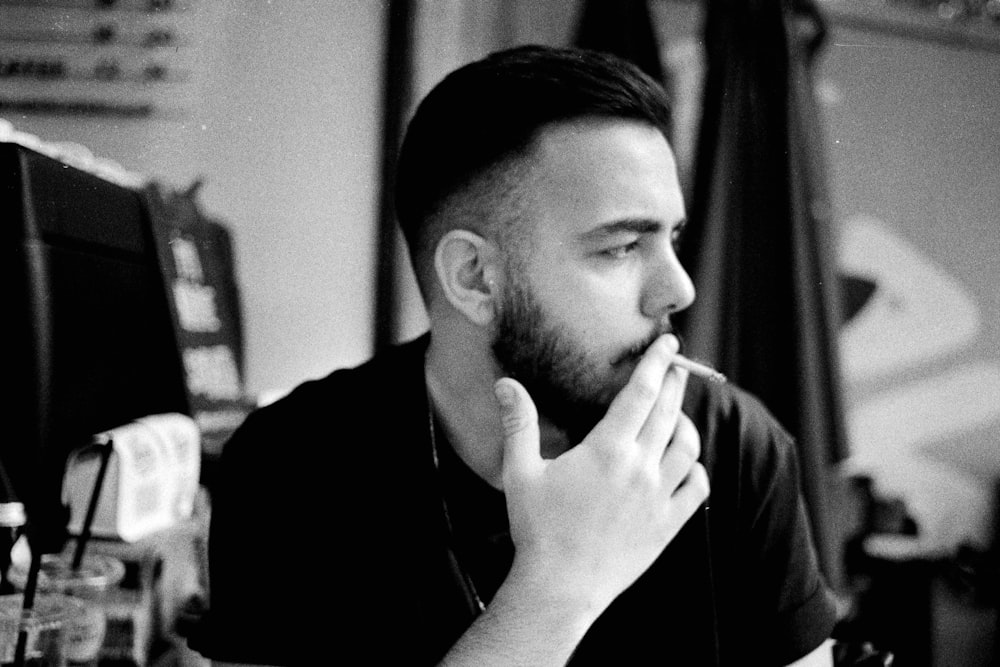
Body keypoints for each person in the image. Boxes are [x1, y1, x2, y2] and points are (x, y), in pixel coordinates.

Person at [187, 45, 838, 666]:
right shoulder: (289, 466)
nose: (679, 288)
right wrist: (554, 594)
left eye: (670, 236)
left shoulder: (735, 447)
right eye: (620, 247)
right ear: (474, 278)